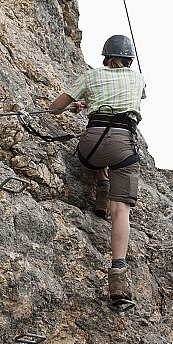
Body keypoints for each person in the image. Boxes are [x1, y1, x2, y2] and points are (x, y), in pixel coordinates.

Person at [49, 35, 146, 306]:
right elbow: (132, 99)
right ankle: (117, 274)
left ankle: (101, 185)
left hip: (90, 147)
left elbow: (54, 109)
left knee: (97, 157)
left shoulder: (90, 77)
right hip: (122, 145)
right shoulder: (138, 79)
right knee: (121, 211)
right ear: (128, 59)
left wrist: (76, 105)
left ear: (106, 57)